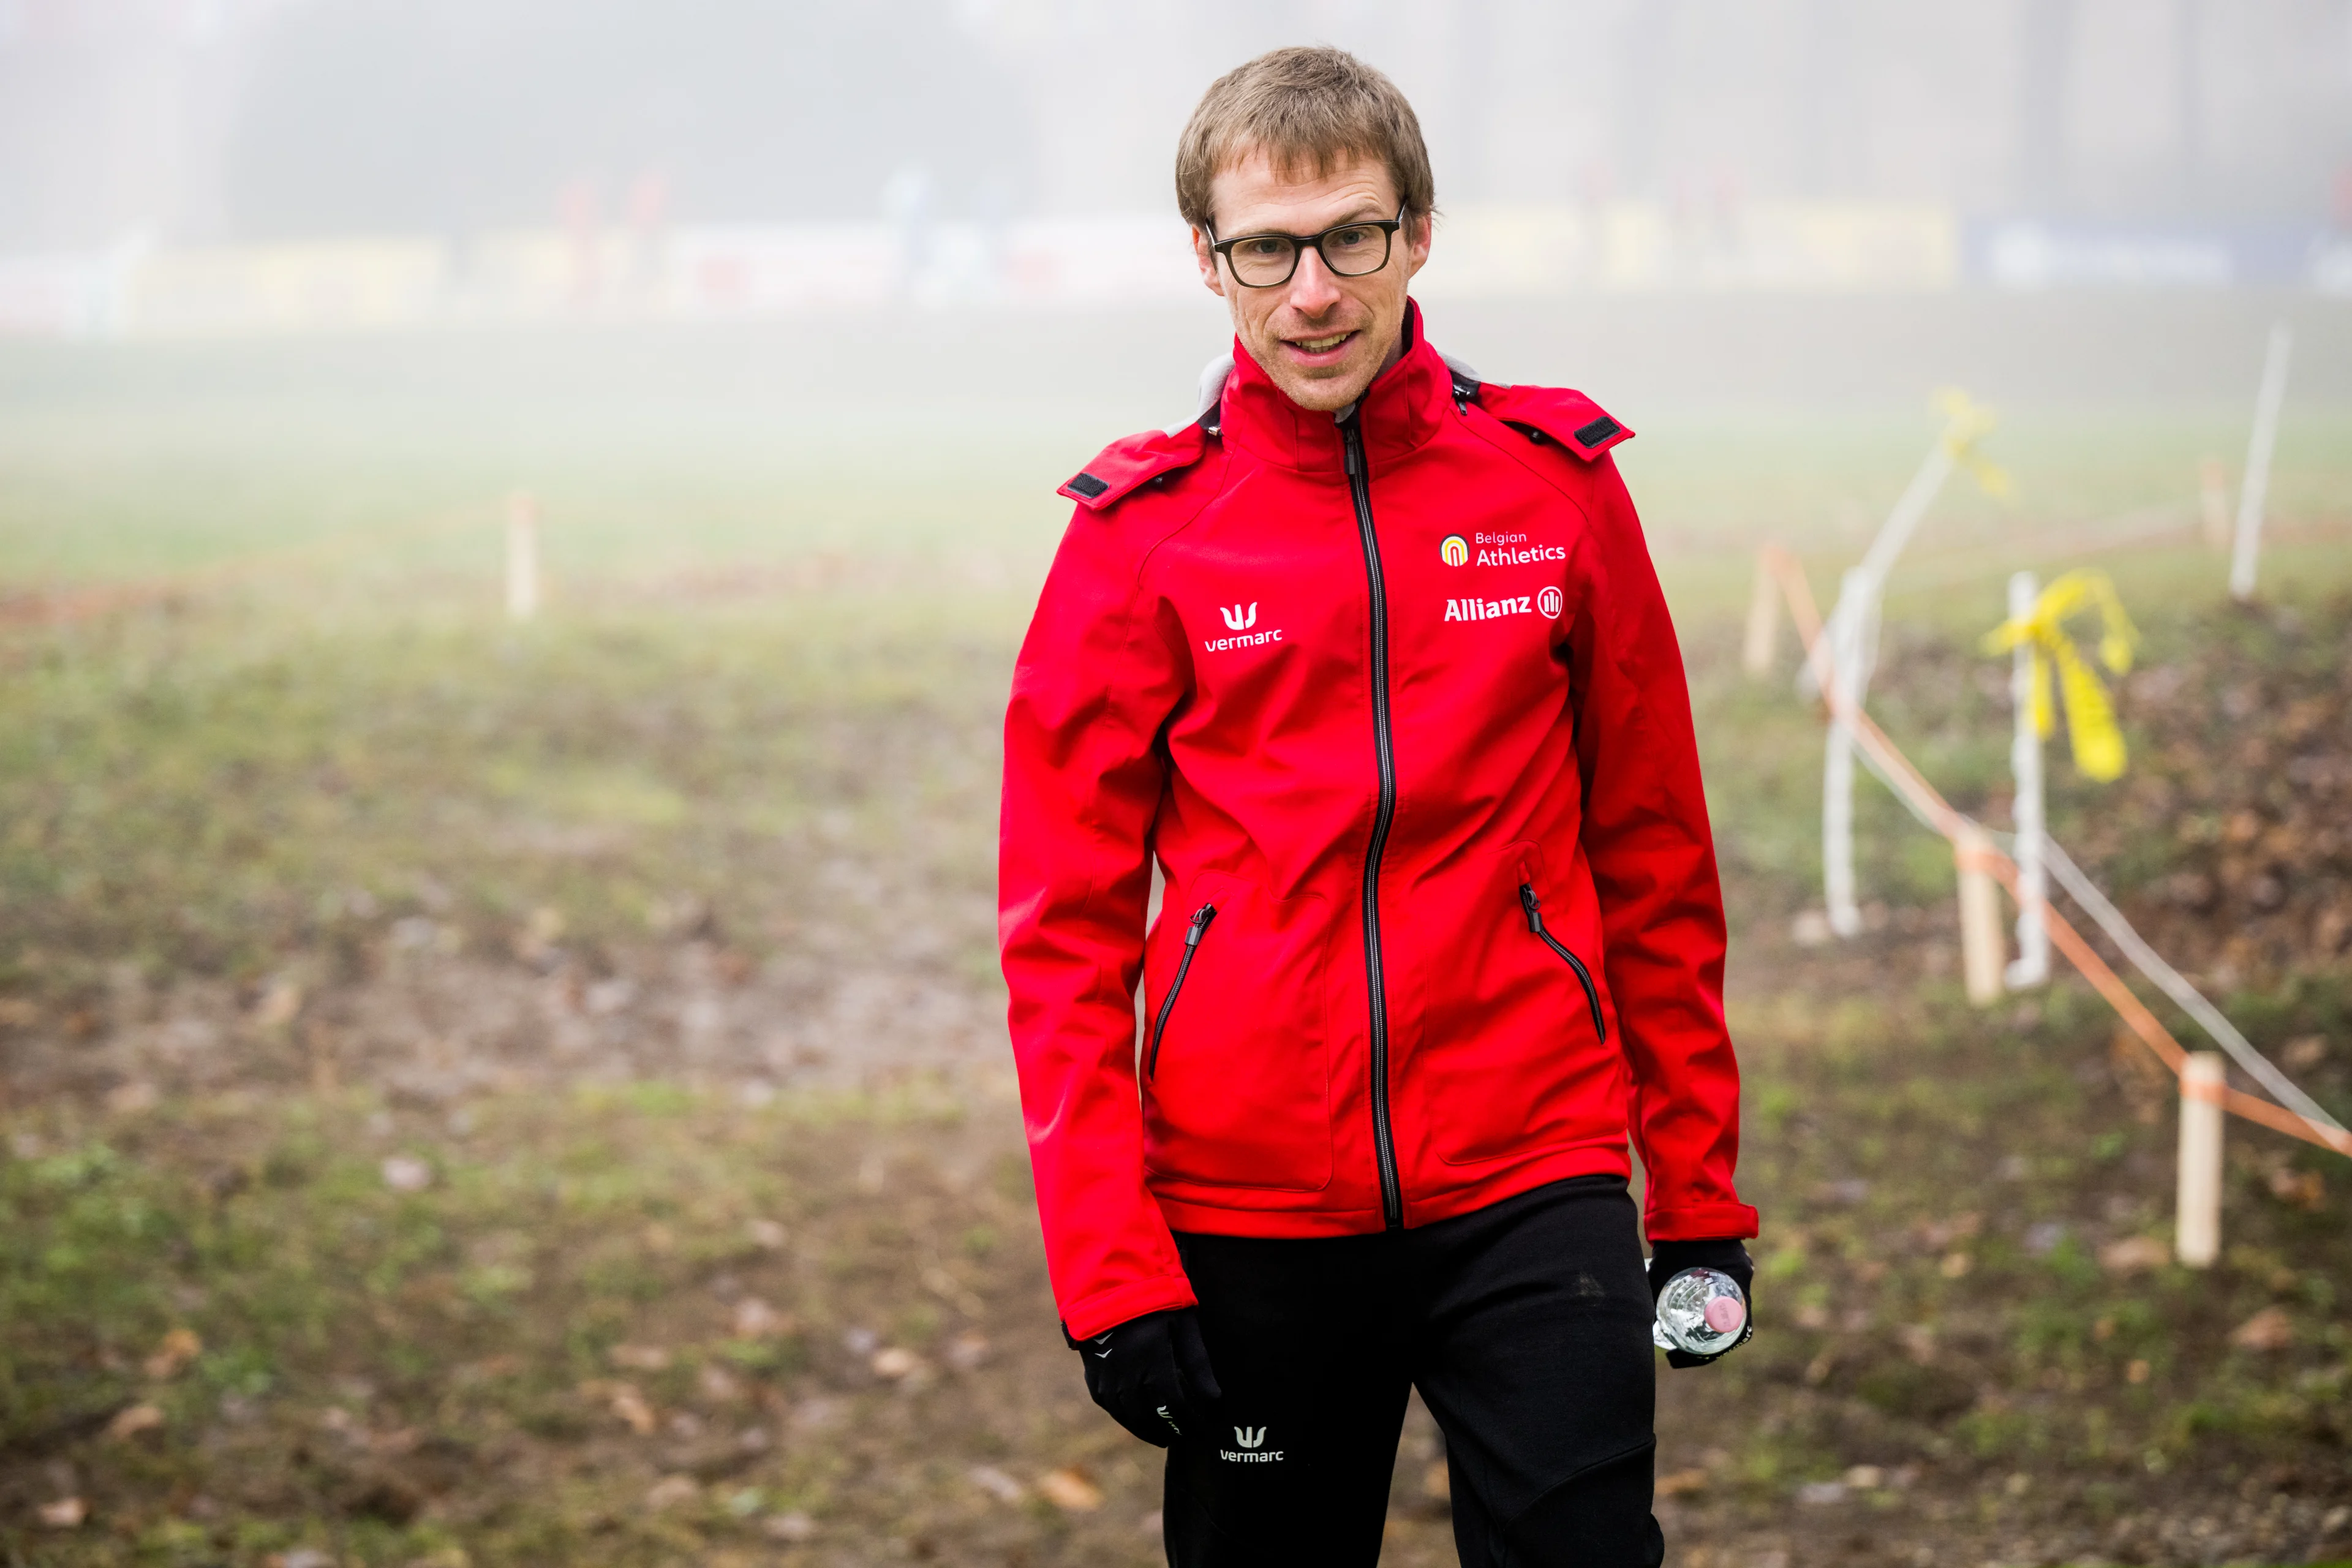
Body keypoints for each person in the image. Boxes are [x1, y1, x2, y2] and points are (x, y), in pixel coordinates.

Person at [998, 45, 1757, 1566]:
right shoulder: (1136, 540)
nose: (1313, 292)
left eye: (1351, 235)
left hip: (1533, 1173)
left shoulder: (1557, 488)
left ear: (1417, 230)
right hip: (1248, 1205)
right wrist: (1111, 1269)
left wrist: (1696, 1186)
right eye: (1266, 249)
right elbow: (1062, 937)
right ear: (1208, 264)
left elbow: (1656, 853)